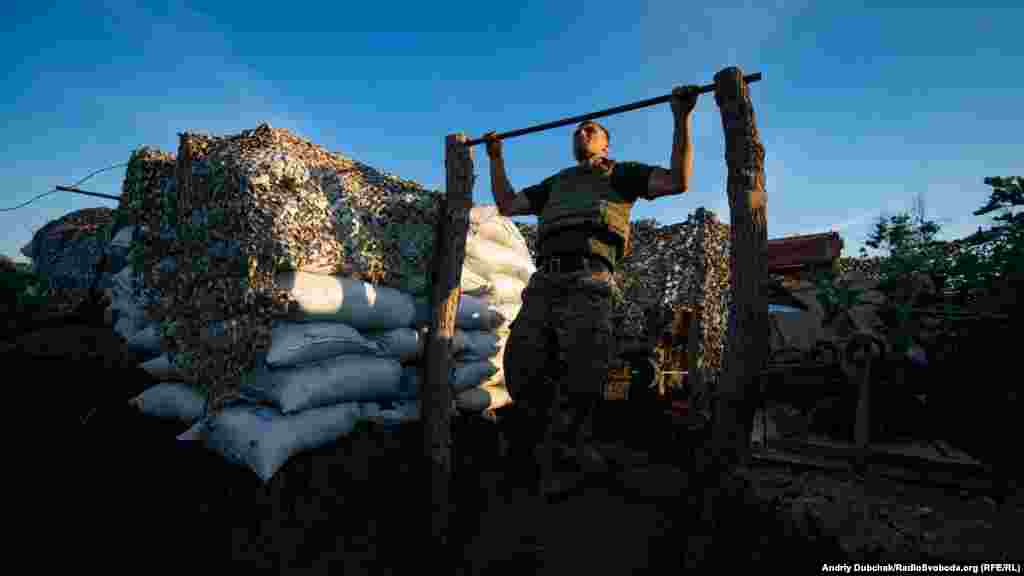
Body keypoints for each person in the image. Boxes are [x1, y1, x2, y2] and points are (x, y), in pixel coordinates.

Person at [483, 85, 700, 498]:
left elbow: (678, 181)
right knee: (523, 365)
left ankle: (572, 457)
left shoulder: (622, 174)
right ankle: (538, 449)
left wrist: (681, 117)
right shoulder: (557, 183)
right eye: (577, 130)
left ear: (606, 144)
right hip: (545, 282)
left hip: (590, 281)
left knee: (582, 372)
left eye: (589, 129)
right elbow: (508, 204)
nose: (580, 133)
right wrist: (496, 158)